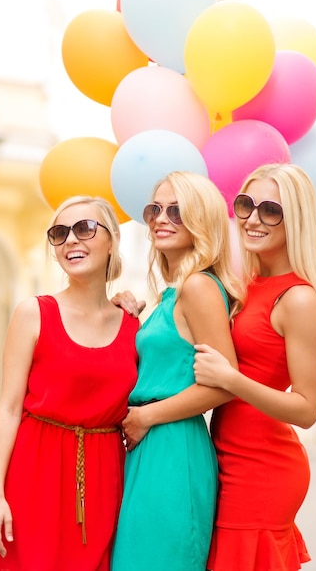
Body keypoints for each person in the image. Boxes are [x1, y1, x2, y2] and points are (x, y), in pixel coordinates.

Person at [0, 196, 139, 571]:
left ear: (112, 240)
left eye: (84, 229)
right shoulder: (33, 313)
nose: (71, 241)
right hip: (34, 475)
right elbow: (9, 407)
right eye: (60, 233)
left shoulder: (133, 327)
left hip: (105, 478)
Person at [193, 163, 316, 571]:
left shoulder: (299, 299)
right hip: (226, 458)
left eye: (270, 210)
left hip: (262, 469)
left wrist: (232, 380)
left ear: (296, 218)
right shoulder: (247, 286)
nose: (253, 219)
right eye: (245, 205)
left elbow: (307, 409)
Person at [111, 171, 243, 571]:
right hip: (151, 444)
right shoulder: (173, 292)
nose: (161, 218)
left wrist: (146, 416)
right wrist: (132, 323)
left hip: (172, 445)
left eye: (177, 210)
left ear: (202, 219)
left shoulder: (199, 287)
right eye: (155, 209)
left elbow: (225, 383)